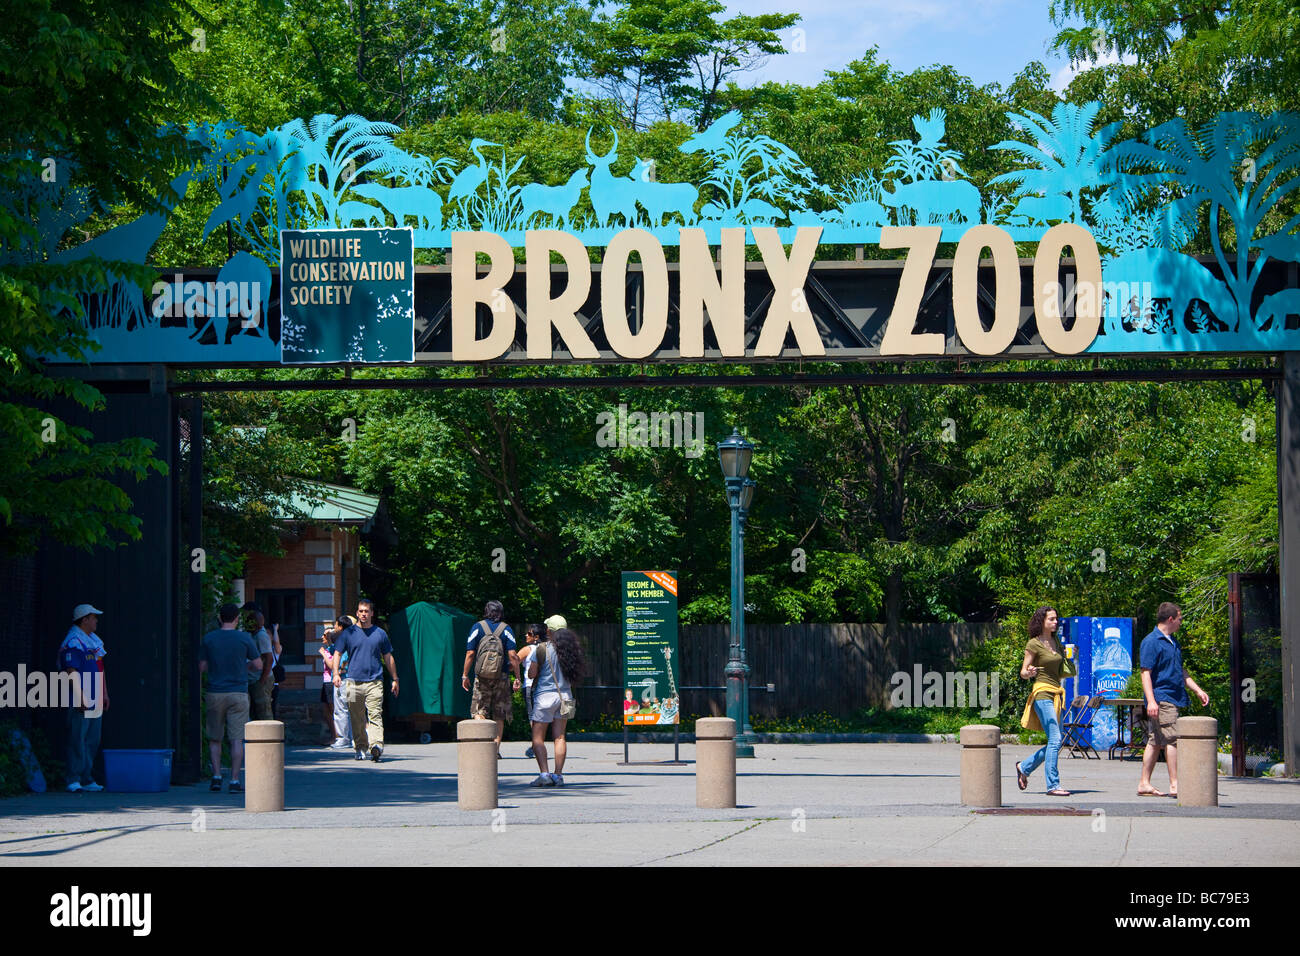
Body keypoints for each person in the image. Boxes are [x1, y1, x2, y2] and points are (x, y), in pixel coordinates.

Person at [1137, 602, 1210, 798]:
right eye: (1180, 618)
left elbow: (1180, 671)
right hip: (1163, 697)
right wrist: (1151, 701)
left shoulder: (1173, 642)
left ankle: (1144, 783)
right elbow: (1145, 673)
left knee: (1155, 741)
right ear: (1170, 619)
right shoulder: (1152, 642)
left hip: (1172, 697)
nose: (1181, 622)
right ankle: (1175, 784)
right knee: (1172, 739)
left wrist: (1197, 690)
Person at [199, 603, 263, 793]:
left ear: (220, 617)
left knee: (215, 738)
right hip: (238, 692)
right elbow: (258, 664)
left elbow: (201, 667)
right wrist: (245, 669)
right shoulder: (244, 638)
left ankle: (216, 776)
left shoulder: (209, 639)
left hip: (215, 691)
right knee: (237, 739)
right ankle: (234, 780)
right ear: (237, 618)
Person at [332, 599, 398, 763]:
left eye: (366, 611)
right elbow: (337, 654)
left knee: (375, 714)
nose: (363, 614)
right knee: (356, 717)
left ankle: (376, 746)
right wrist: (336, 674)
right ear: (357, 613)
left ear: (372, 613)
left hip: (374, 681)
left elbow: (388, 657)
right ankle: (360, 747)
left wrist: (395, 678)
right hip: (353, 682)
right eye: (361, 611)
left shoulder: (380, 633)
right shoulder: (349, 633)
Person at [1014, 606, 1071, 796]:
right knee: (1055, 739)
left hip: (1056, 693)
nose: (1056, 622)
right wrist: (1028, 673)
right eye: (1052, 619)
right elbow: (1023, 671)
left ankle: (1024, 767)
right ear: (1042, 621)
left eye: (1056, 619)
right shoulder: (1034, 644)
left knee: (1056, 740)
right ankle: (1053, 785)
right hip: (1042, 693)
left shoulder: (1056, 642)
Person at [527, 626, 586, 787]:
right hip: (566, 697)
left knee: (538, 738)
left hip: (545, 697)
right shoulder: (572, 650)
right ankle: (558, 775)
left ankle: (544, 774)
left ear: (549, 632)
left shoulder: (541, 648)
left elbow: (531, 674)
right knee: (560, 737)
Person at [59, 603, 108, 793]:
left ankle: (87, 778)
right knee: (77, 738)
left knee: (92, 739)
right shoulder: (73, 641)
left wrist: (104, 693)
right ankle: (73, 779)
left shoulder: (93, 641)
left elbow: (101, 668)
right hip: (79, 698)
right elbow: (71, 671)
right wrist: (80, 697)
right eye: (93, 617)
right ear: (84, 619)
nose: (96, 620)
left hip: (94, 697)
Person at [461, 599, 520, 758]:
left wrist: (465, 675)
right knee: (499, 713)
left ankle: (482, 748)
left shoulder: (477, 627)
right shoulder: (506, 629)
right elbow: (513, 656)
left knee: (479, 710)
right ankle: (495, 749)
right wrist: (517, 677)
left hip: (482, 676)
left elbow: (470, 654)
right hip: (501, 677)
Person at [321, 615, 354, 749]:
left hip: (343, 677)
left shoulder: (343, 639)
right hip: (353, 677)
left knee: (340, 709)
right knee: (352, 709)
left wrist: (338, 672)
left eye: (335, 625)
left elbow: (343, 658)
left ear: (340, 627)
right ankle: (352, 737)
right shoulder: (353, 637)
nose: (334, 627)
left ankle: (342, 738)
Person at [517, 623, 546, 759]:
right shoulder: (546, 648)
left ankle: (536, 744)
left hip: (530, 685)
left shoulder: (528, 649)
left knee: (532, 716)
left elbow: (513, 662)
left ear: (536, 637)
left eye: (529, 633)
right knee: (540, 716)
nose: (526, 635)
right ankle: (538, 743)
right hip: (543, 686)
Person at [242, 603, 274, 721]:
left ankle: (269, 737)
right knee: (254, 711)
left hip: (260, 679)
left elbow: (269, 658)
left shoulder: (261, 636)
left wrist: (262, 680)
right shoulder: (252, 635)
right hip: (253, 678)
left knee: (263, 710)